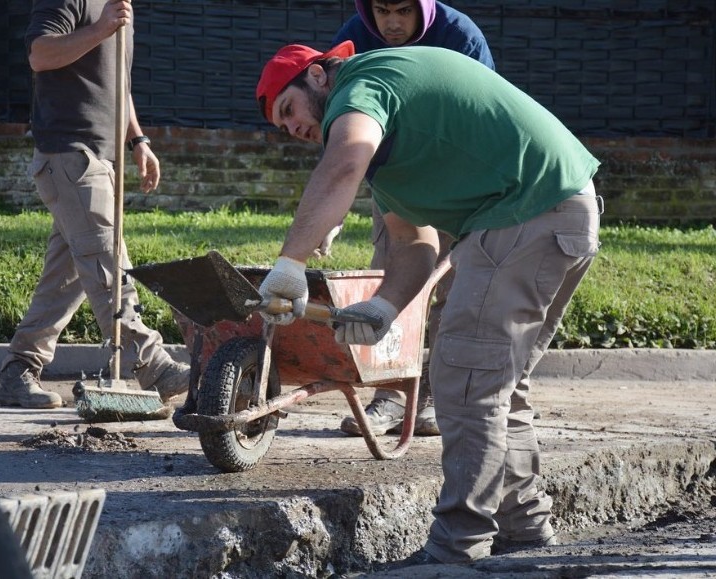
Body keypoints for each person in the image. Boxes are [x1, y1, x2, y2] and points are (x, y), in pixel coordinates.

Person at [255, 43, 601, 563]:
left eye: (289, 110)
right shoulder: (393, 138)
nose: (295, 129)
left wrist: (290, 265)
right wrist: (385, 307)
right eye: (284, 128)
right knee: (497, 385)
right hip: (560, 211)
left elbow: (343, 162)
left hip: (525, 214)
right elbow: (414, 241)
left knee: (463, 381)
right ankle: (525, 531)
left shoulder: (364, 83)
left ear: (319, 77)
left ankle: (456, 548)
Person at [0, 0, 189, 409]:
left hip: (104, 155)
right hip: (70, 153)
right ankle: (153, 365)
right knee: (106, 262)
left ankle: (18, 371)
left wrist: (138, 140)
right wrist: (100, 28)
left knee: (64, 279)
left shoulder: (118, 9)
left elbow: (118, 78)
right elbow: (40, 55)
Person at [324, 0, 495, 438]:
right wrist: (332, 209)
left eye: (402, 10)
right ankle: (389, 397)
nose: (392, 23)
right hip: (396, 180)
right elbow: (339, 120)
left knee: (455, 286)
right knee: (392, 279)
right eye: (381, 11)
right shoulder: (356, 38)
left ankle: (435, 396)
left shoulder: (461, 37)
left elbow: (483, 112)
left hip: (457, 178)